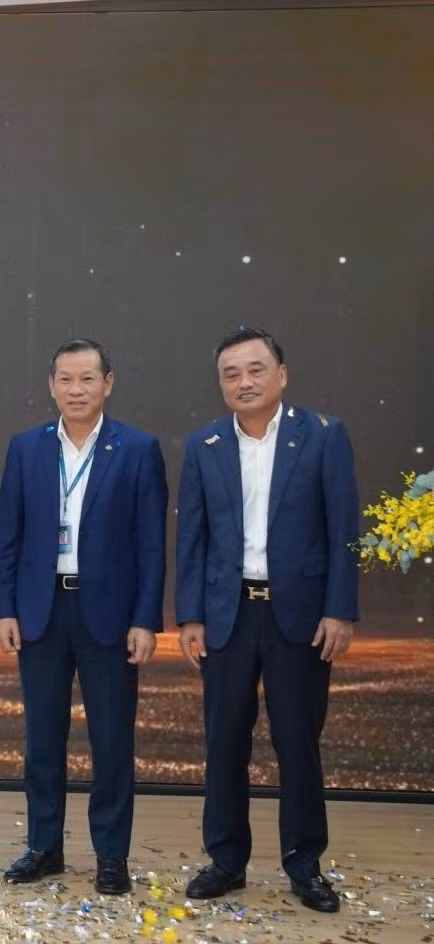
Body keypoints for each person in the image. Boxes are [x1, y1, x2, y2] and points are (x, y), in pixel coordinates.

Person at [175, 326, 358, 914]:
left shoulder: (323, 436)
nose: (244, 382)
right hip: (227, 616)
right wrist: (190, 616)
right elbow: (192, 539)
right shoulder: (204, 444)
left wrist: (340, 609)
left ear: (281, 374)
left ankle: (305, 865)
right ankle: (226, 860)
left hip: (298, 617)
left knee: (297, 742)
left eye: (256, 370)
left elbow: (345, 532)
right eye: (231, 374)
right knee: (224, 740)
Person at [0, 338, 166, 895]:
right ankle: (44, 847)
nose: (76, 389)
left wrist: (145, 619)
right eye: (65, 379)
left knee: (111, 743)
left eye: (87, 378)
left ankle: (111, 855)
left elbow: (151, 545)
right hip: (41, 611)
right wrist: (5, 608)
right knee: (43, 741)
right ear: (51, 386)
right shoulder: (26, 447)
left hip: (108, 615)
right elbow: (8, 536)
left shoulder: (137, 448)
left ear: (108, 384)